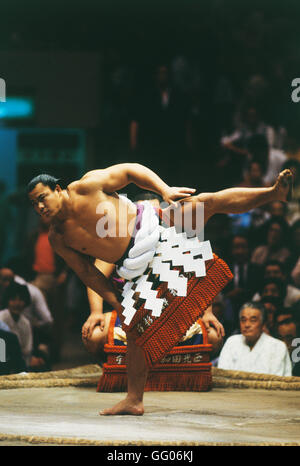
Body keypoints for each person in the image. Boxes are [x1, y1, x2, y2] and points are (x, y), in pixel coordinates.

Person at [27, 163, 293, 415]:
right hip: (132, 270)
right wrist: (115, 302)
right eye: (35, 204)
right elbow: (87, 272)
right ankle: (134, 400)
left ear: (58, 190)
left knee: (204, 204)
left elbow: (131, 171)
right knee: (132, 330)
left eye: (43, 197)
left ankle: (273, 193)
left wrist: (164, 190)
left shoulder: (88, 186)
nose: (40, 206)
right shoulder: (58, 238)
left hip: (155, 228)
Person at [218, 302, 292, 376]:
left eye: (253, 320)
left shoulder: (277, 346)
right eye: (243, 320)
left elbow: (276, 380)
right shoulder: (232, 342)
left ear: (263, 324)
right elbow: (222, 374)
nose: (247, 325)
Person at [0, 282, 33, 368]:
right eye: (13, 299)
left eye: (21, 300)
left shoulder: (25, 323)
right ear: (7, 301)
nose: (17, 303)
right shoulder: (1, 318)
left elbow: (27, 350)